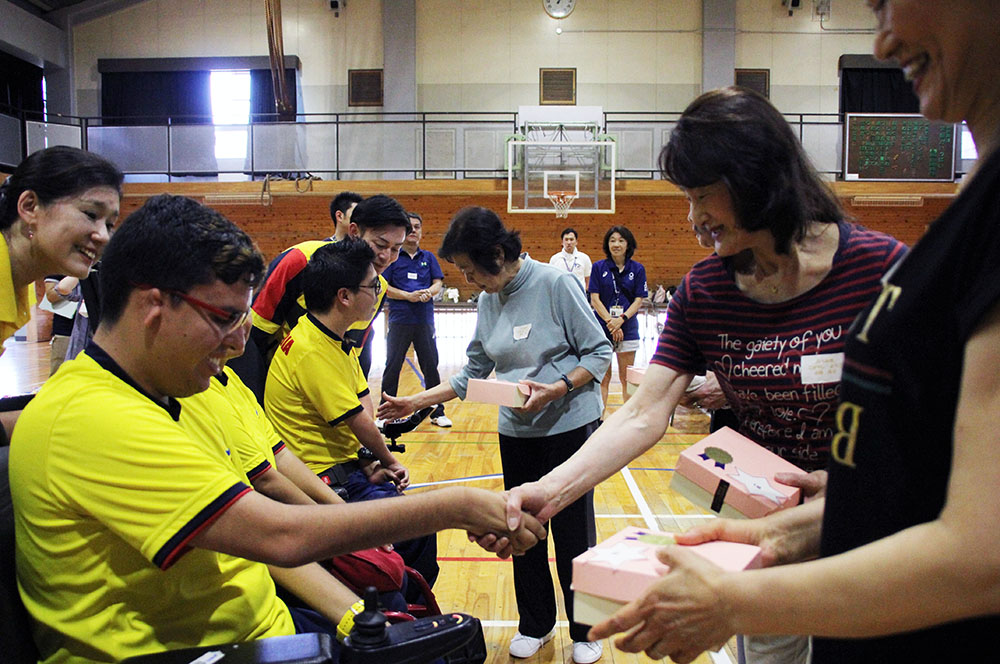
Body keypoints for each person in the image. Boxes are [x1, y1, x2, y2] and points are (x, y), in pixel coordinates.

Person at [9, 194, 544, 664]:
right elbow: (280, 534)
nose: (238, 344)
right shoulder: (98, 418)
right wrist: (457, 505)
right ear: (154, 305)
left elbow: (269, 544)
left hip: (265, 631)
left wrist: (358, 620)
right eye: (222, 319)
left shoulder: (173, 392)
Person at [499, 84, 910, 664]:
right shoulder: (707, 289)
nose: (693, 220)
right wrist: (550, 491)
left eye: (702, 198)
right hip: (761, 522)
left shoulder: (883, 272)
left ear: (758, 181)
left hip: (875, 520)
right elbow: (644, 413)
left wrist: (860, 493)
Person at [378, 207, 612, 664]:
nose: (468, 280)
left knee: (573, 533)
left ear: (499, 254)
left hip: (569, 426)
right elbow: (474, 371)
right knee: (520, 528)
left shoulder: (555, 284)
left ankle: (587, 631)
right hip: (517, 430)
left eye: (470, 269)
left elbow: (599, 350)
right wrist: (416, 402)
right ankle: (536, 624)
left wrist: (557, 388)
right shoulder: (488, 300)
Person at [264, 238, 439, 588]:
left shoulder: (334, 339)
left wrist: (370, 461)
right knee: (413, 534)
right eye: (373, 285)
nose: (378, 291)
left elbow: (362, 401)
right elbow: (358, 422)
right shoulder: (311, 351)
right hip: (321, 482)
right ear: (344, 296)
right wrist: (388, 460)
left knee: (416, 533)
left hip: (347, 470)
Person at [0, 145, 122, 442]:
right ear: (29, 207)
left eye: (109, 224)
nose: (103, 236)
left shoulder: (17, 290)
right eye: (90, 214)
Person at [232, 193, 407, 399]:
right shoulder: (298, 260)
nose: (386, 257)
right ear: (354, 232)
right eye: (380, 245)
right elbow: (252, 337)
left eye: (396, 249)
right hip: (277, 393)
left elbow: (355, 358)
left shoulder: (380, 288)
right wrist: (256, 405)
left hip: (326, 400)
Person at [380, 211, 451, 427]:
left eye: (417, 227)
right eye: (409, 227)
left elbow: (438, 282)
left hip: (424, 321)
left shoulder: (428, 258)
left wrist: (430, 291)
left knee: (431, 365)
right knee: (392, 366)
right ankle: (386, 414)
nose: (413, 231)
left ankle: (437, 412)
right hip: (400, 320)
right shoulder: (393, 258)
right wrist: (407, 296)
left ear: (421, 231)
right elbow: (385, 287)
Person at [587, 226, 648, 414]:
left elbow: (639, 299)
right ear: (607, 244)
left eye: (621, 240)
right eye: (612, 240)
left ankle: (627, 421)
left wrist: (621, 319)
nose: (616, 244)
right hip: (602, 330)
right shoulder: (598, 267)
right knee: (603, 378)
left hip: (627, 328)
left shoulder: (637, 269)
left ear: (628, 244)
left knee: (626, 378)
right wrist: (610, 322)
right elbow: (594, 299)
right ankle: (598, 421)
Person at [42, 275, 81, 375]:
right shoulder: (61, 264)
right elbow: (50, 295)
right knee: (59, 374)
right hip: (66, 329)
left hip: (98, 330)